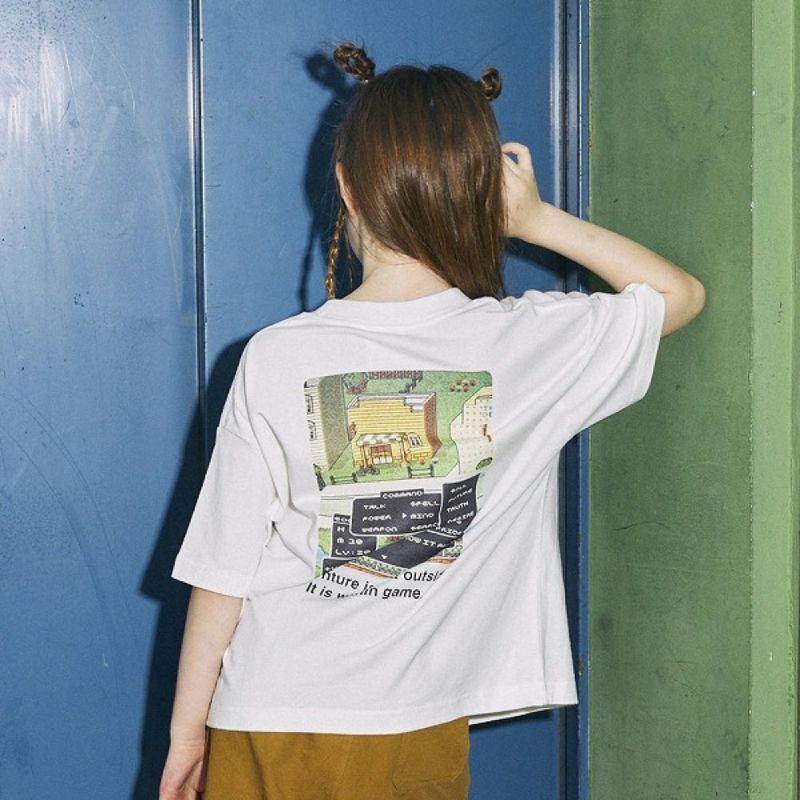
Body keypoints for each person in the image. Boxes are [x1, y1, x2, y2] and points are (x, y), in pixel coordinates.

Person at [159, 41, 705, 800]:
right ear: (484, 196)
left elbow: (224, 571)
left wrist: (188, 735)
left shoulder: (276, 356)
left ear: (346, 186)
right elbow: (679, 296)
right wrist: (537, 220)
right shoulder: (530, 344)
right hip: (415, 724)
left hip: (266, 711)